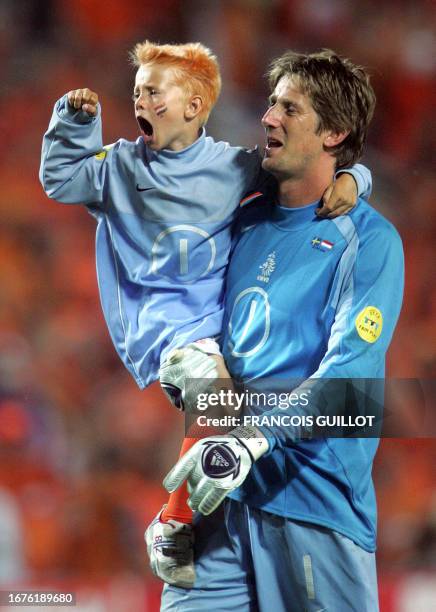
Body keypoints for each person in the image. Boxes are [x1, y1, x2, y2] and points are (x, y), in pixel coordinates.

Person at [39, 41, 371, 587]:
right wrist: (74, 124)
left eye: (153, 92)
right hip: (163, 331)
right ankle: (171, 525)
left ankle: (189, 525)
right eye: (137, 92)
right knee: (221, 403)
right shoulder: (119, 165)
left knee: (229, 413)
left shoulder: (232, 168)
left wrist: (357, 179)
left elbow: (306, 175)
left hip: (217, 328)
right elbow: (61, 178)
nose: (140, 101)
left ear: (194, 106)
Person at [160, 49, 404, 611]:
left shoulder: (368, 244)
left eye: (289, 108)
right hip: (220, 495)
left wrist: (257, 437)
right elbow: (207, 349)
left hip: (312, 501)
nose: (267, 118)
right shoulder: (238, 220)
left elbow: (349, 377)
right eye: (271, 104)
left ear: (334, 132)